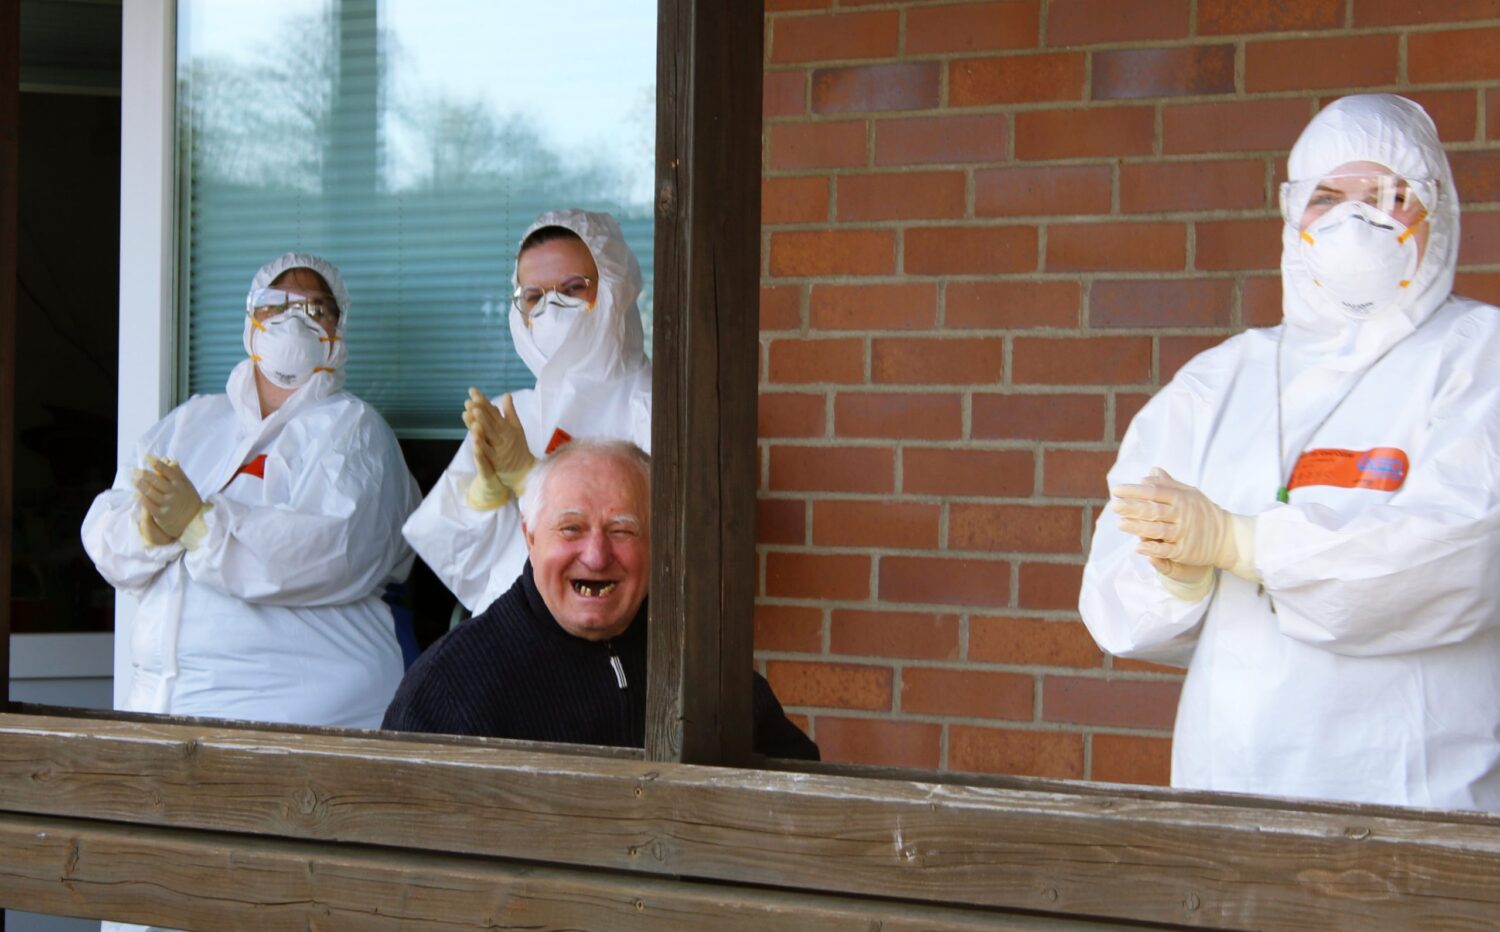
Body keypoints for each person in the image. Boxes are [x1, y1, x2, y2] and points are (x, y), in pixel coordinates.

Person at [1079, 94, 1500, 810]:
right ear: (1291, 213)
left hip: (1423, 801)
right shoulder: (1217, 383)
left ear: (1438, 211)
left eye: (1388, 197)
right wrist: (1177, 578)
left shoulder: (1477, 361)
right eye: (1327, 197)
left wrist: (1242, 543)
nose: (1353, 221)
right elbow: (1115, 605)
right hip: (1231, 786)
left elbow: (1461, 556)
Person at [82, 252, 421, 730]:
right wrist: (147, 533)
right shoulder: (194, 422)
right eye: (276, 305)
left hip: (297, 725)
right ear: (251, 320)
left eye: (315, 309)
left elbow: (335, 550)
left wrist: (201, 528)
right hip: (159, 713)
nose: (294, 321)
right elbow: (106, 527)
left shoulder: (354, 431)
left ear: (337, 331)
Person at [383, 439, 819, 760]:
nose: (595, 555)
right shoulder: (447, 689)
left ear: (658, 542)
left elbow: (795, 780)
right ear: (530, 537)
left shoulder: (698, 663)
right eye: (570, 528)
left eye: (622, 530)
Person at [403, 209, 652, 616]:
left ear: (614, 289)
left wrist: (530, 479)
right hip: (504, 631)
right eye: (533, 296)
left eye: (573, 288)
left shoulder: (655, 407)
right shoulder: (513, 412)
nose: (550, 309)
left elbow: (647, 546)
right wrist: (484, 498)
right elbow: (455, 552)